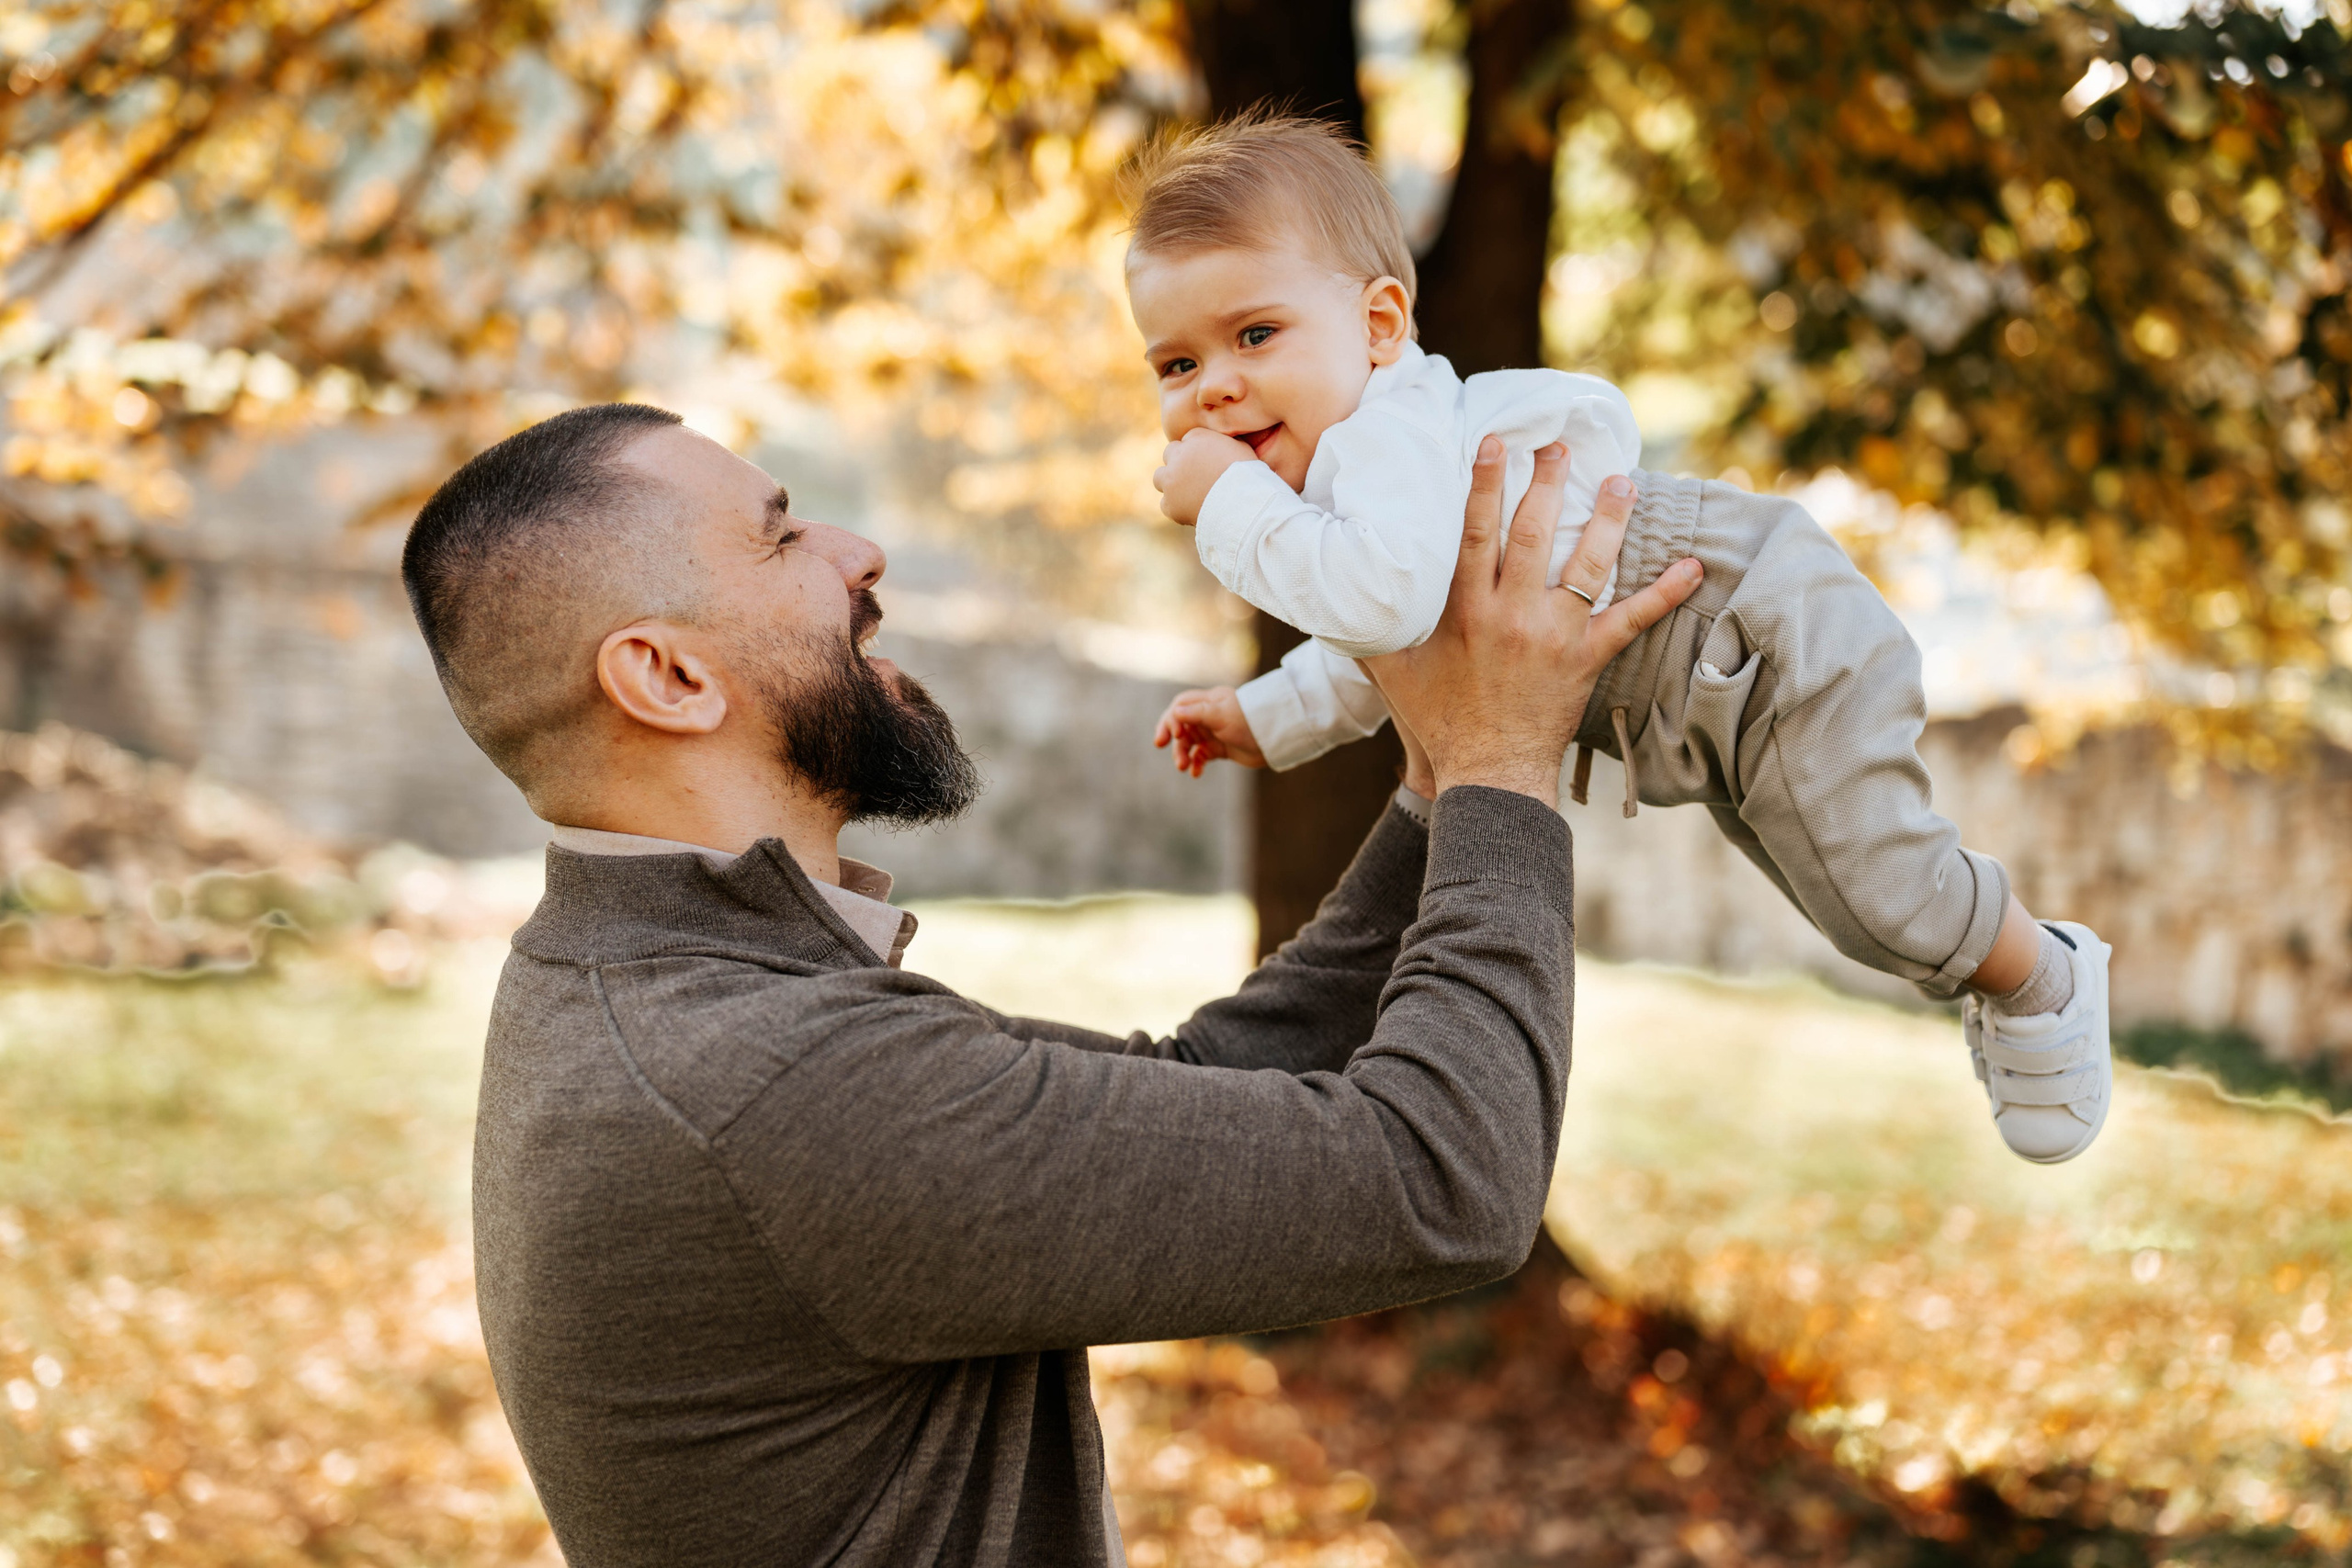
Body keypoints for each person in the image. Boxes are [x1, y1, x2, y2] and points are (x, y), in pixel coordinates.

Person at [398, 400, 1702, 1564]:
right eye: (784, 536)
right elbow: (1444, 1178)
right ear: (668, 676)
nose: (860, 553)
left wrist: (1434, 776)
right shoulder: (770, 1078)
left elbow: (1199, 1088)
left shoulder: (655, 980)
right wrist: (1501, 768)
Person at [1125, 115, 2112, 1166]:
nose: (1214, 388)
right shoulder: (1351, 489)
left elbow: (1383, 609)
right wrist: (1260, 717)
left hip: (1752, 622)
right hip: (1708, 681)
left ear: (1378, 325)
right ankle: (2007, 963)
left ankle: (2043, 974)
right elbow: (1380, 653)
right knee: (1847, 901)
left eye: (1255, 336)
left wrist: (1229, 504)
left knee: (1886, 901)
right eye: (1176, 364)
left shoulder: (1388, 434)